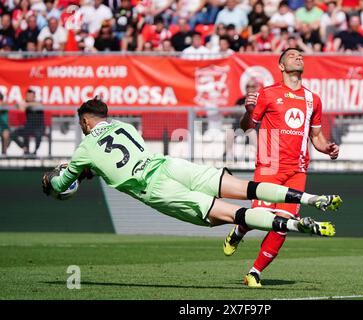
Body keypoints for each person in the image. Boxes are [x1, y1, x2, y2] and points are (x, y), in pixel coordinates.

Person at [42, 97, 342, 250]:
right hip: (170, 164)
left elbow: (62, 183)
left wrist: (52, 181)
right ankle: (311, 198)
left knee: (226, 215)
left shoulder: (84, 148)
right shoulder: (124, 125)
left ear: (84, 121)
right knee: (245, 188)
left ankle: (292, 225)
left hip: (155, 186)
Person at [223, 47, 340, 288]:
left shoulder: (313, 99)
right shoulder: (267, 94)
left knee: (284, 224)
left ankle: (254, 272)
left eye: (301, 55)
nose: (298, 57)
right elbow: (247, 126)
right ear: (281, 66)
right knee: (262, 218)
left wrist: (327, 147)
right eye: (292, 55)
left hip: (297, 170)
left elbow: (316, 137)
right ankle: (239, 230)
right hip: (270, 165)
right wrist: (247, 111)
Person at [223, 78, 260, 161]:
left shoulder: (261, 99)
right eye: (248, 86)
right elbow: (233, 113)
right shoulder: (240, 100)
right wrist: (242, 109)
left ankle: (259, 155)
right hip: (240, 126)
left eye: (252, 86)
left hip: (255, 127)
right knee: (229, 132)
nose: (250, 88)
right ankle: (227, 155)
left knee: (251, 132)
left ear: (257, 88)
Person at [10, 88, 45, 156]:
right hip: (29, 127)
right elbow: (18, 107)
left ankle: (34, 152)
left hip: (38, 127)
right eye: (28, 96)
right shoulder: (25, 103)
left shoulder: (38, 103)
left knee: (38, 135)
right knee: (13, 134)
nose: (29, 97)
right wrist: (20, 104)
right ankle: (25, 148)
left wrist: (26, 104)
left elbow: (39, 105)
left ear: (34, 97)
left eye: (31, 96)